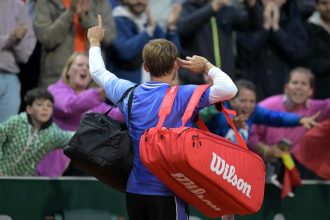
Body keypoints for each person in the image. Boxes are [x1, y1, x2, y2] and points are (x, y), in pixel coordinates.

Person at [88, 15, 237, 220]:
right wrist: (205, 66)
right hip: (169, 191)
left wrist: (94, 42)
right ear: (176, 65)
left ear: (146, 67)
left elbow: (97, 71)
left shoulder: (128, 93)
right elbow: (229, 89)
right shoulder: (185, 95)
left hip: (135, 192)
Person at [36, 52, 124, 176]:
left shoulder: (94, 101)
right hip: (56, 161)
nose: (84, 68)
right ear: (68, 71)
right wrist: (98, 94)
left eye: (88, 67)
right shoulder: (55, 90)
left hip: (82, 161)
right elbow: (68, 107)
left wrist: (138, 107)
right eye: (80, 64)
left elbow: (116, 114)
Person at [249, 67, 330, 178]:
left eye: (303, 84)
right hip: (258, 165)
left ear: (310, 91)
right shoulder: (267, 106)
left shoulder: (316, 108)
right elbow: (248, 134)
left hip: (290, 167)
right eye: (295, 82)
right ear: (286, 87)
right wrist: (267, 150)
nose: (298, 87)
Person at [201, 79, 318, 145]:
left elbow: (276, 117)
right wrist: (231, 123)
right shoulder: (219, 109)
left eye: (252, 101)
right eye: (243, 100)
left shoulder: (254, 111)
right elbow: (202, 117)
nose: (248, 105)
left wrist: (300, 119)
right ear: (232, 100)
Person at [236, 0, 308, 100]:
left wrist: (276, 29)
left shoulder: (293, 22)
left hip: (284, 93)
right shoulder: (246, 18)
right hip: (253, 93)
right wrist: (265, 28)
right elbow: (244, 53)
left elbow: (299, 54)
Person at [176, 0, 261, 84]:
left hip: (225, 81)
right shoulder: (189, 7)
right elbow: (182, 29)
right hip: (197, 81)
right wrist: (212, 7)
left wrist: (252, 4)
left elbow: (254, 24)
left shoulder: (227, 10)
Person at [34, 0, 116, 87]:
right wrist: (70, 12)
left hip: (92, 79)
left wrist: (84, 17)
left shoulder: (100, 2)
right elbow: (47, 39)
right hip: (57, 77)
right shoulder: (46, 2)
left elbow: (109, 37)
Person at [0, 88, 73, 176]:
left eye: (49, 105)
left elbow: (71, 138)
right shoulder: (16, 122)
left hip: (22, 182)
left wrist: (89, 133)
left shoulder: (52, 134)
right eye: (39, 104)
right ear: (29, 109)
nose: (45, 108)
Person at [106, 0, 181, 84]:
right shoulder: (116, 19)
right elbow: (125, 52)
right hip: (125, 88)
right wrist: (147, 32)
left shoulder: (148, 21)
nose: (139, 1)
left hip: (151, 87)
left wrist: (171, 27)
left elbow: (172, 55)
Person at [0, 0, 36, 122]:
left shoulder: (19, 7)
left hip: (11, 78)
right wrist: (8, 40)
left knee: (7, 133)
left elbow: (24, 55)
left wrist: (16, 41)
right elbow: (10, 39)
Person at [302, 0, 330, 99]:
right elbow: (306, 62)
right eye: (324, 3)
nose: (328, 8)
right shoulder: (308, 29)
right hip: (321, 92)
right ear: (316, 6)